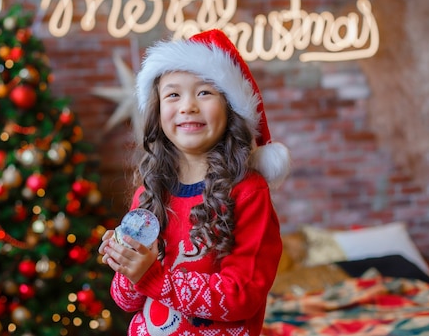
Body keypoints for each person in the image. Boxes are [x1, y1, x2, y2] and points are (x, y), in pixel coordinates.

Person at [99, 29, 290, 336]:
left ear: (230, 108)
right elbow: (125, 301)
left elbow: (242, 295)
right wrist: (126, 263)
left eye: (204, 92)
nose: (188, 106)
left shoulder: (248, 192)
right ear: (157, 111)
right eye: (173, 94)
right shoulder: (149, 194)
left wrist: (152, 277)